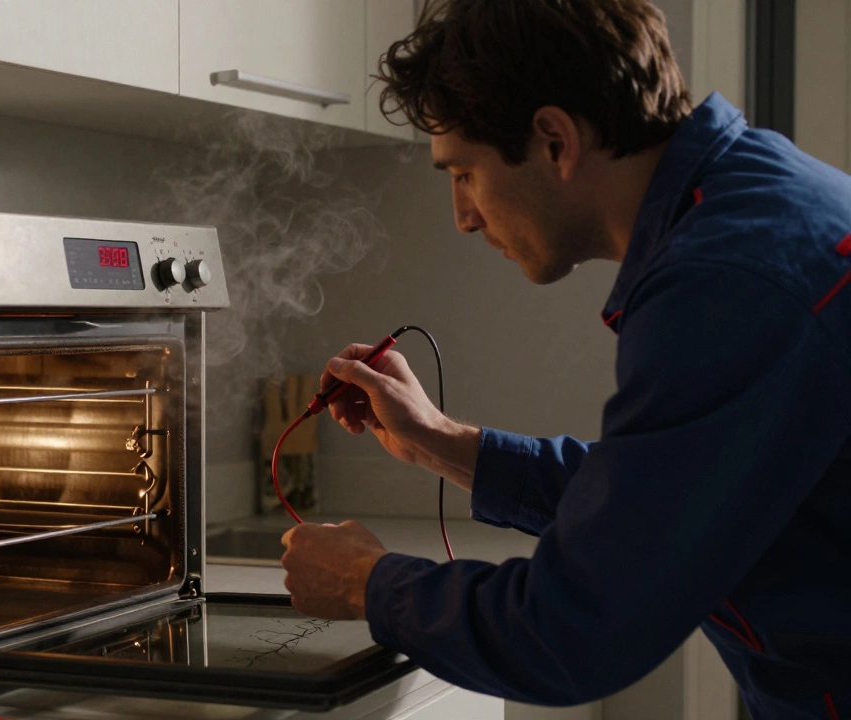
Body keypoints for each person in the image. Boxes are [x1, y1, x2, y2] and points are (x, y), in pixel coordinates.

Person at [278, 1, 851, 717]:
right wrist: (438, 441)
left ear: (553, 140)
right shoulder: (750, 202)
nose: (464, 216)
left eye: (463, 173)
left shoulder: (728, 282)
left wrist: (369, 582)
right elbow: (660, 494)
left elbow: (576, 629)